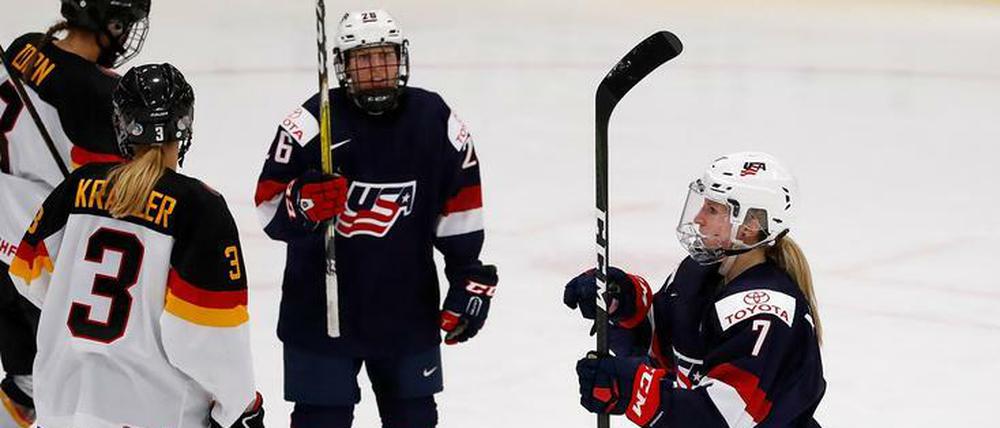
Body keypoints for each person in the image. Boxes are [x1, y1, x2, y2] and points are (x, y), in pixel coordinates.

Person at [254, 9, 498, 428]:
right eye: (362, 59)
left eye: (383, 56)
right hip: (320, 316)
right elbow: (268, 206)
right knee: (320, 421)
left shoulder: (434, 119)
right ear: (343, 66)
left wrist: (466, 275)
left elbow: (460, 206)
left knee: (414, 419)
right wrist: (303, 203)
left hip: (406, 312)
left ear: (400, 59)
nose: (375, 69)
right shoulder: (312, 123)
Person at [6, 63, 264, 428]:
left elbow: (27, 273)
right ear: (185, 125)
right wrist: (240, 405)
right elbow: (207, 335)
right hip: (153, 413)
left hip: (62, 405)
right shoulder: (199, 208)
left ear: (121, 123)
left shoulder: (78, 186)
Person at [565, 152, 826, 427]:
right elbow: (662, 351)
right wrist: (624, 303)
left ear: (749, 226)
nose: (699, 218)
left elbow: (720, 418)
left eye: (712, 210)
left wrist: (633, 390)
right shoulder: (697, 274)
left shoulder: (766, 313)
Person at [0, 1, 150, 424]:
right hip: (43, 264)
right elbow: (117, 194)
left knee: (26, 377)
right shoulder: (96, 92)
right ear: (112, 22)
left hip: (3, 245)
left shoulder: (24, 47)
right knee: (77, 395)